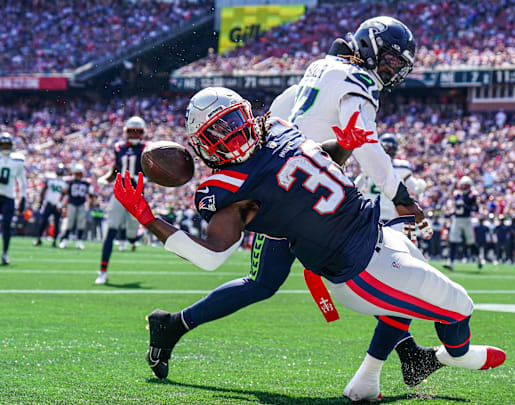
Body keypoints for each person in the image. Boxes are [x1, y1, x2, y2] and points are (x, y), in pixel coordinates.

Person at [116, 88, 505, 402]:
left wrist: (345, 145)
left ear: (249, 115)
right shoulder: (227, 188)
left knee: (408, 297)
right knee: (451, 305)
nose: (232, 135)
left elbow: (317, 163)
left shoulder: (281, 129)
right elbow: (210, 256)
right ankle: (452, 355)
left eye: (233, 123)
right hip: (354, 265)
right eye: (219, 132)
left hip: (373, 229)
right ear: (202, 146)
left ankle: (380, 375)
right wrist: (146, 216)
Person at [140, 17, 439, 397]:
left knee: (339, 266)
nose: (391, 71)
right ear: (369, 50)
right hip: (297, 192)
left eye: (398, 66)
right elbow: (364, 144)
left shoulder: (321, 70)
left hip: (300, 184)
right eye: (390, 62)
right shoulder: (358, 81)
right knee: (354, 264)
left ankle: (407, 353)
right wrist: (400, 196)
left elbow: (280, 112)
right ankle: (174, 325)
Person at [95, 116, 148, 285]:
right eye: (131, 130)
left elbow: (153, 172)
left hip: (137, 195)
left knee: (131, 236)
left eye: (136, 131)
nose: (133, 134)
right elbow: (115, 170)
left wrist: (148, 179)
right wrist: (106, 179)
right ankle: (102, 272)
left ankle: (136, 236)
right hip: (119, 193)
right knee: (110, 231)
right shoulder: (118, 148)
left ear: (142, 133)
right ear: (126, 132)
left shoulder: (148, 149)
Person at [355, 133, 426, 226]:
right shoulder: (401, 168)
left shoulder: (370, 164)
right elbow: (416, 189)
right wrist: (421, 185)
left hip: (370, 214)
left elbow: (355, 187)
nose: (387, 151)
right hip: (390, 217)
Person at [0, 132, 26, 265]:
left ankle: (5, 253)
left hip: (9, 197)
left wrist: (23, 197)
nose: (5, 147)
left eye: (7, 145)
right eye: (3, 144)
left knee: (6, 227)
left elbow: (22, 181)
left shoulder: (17, 161)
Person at [443, 176, 478, 271]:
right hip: (457, 220)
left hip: (467, 220)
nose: (463, 187)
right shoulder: (457, 194)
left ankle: (478, 258)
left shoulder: (473, 195)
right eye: (462, 185)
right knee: (453, 241)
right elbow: (457, 208)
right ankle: (450, 262)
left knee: (471, 242)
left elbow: (476, 209)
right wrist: (451, 212)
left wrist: (466, 206)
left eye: (465, 185)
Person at [58, 163, 93, 249]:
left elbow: (91, 195)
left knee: (81, 224)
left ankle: (79, 241)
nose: (78, 175)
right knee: (70, 223)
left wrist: (91, 203)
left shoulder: (86, 182)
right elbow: (64, 192)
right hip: (72, 204)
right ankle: (65, 240)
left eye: (79, 173)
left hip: (82, 204)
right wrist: (60, 203)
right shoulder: (70, 181)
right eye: (77, 173)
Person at [33, 163, 67, 248]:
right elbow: (43, 191)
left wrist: (63, 206)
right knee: (44, 221)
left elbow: (65, 195)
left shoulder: (64, 182)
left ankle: (54, 240)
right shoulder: (51, 180)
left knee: (56, 223)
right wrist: (40, 203)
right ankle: (39, 239)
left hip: (57, 205)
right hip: (49, 203)